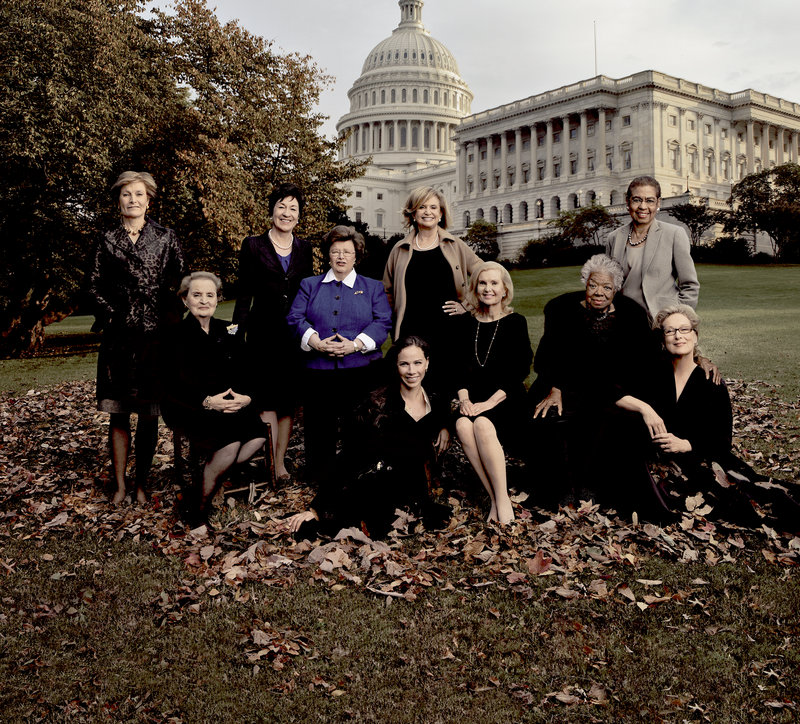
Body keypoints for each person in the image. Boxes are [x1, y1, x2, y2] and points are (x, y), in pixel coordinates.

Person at [616, 305, 800, 529]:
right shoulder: (651, 373)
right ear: (662, 339)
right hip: (657, 459)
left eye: (684, 329)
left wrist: (686, 444)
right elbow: (609, 391)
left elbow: (722, 441)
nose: (678, 336)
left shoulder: (711, 382)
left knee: (742, 496)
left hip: (698, 458)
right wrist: (645, 409)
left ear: (695, 336)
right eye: (670, 331)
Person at [283, 336, 452, 539]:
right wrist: (315, 508)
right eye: (404, 364)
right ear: (396, 366)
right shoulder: (380, 406)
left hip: (412, 485)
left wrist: (445, 428)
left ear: (427, 363)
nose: (412, 371)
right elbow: (351, 455)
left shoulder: (435, 399)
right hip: (378, 481)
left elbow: (442, 418)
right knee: (357, 520)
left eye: (417, 363)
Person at [529, 254, 659, 508]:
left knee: (609, 418)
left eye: (607, 287)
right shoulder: (561, 310)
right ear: (585, 284)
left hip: (614, 387)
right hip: (565, 385)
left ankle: (592, 486)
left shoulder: (632, 314)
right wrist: (555, 386)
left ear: (617, 289)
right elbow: (546, 357)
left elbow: (642, 362)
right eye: (593, 285)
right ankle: (561, 488)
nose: (599, 292)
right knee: (546, 416)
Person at [89, 171, 185, 504]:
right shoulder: (106, 239)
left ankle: (142, 484)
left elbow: (180, 282)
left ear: (149, 199)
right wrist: (114, 312)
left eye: (139, 194)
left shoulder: (165, 236)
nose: (133, 199)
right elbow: (93, 285)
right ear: (118, 199)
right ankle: (119, 485)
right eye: (126, 194)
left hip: (155, 337)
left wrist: (167, 317)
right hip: (119, 338)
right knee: (119, 412)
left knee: (149, 414)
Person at [287, 225, 392, 483]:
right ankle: (320, 476)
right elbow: (295, 317)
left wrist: (354, 345)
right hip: (317, 371)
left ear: (357, 255)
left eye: (347, 252)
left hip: (360, 370)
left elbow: (383, 323)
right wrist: (316, 342)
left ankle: (355, 475)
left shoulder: (372, 287)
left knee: (357, 427)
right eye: (336, 252)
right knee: (318, 427)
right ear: (328, 255)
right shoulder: (309, 285)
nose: (341, 257)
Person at [163, 272, 268, 528]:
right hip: (190, 406)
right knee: (230, 442)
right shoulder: (174, 335)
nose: (203, 300)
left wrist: (245, 398)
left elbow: (246, 371)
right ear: (185, 300)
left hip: (228, 404)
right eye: (196, 295)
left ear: (218, 299)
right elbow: (172, 385)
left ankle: (210, 479)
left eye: (210, 295)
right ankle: (197, 509)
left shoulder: (227, 329)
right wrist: (208, 402)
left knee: (258, 433)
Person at [232, 182, 313, 482]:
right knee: (266, 400)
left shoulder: (305, 249)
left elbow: (307, 293)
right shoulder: (252, 245)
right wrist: (236, 335)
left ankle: (280, 464)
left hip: (293, 337)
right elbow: (243, 295)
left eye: (293, 208)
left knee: (287, 402)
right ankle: (268, 463)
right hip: (262, 335)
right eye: (282, 206)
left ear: (299, 216)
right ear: (271, 211)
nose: (287, 213)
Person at [454, 262, 532, 525]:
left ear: (504, 290)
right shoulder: (466, 323)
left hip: (506, 399)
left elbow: (519, 370)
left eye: (494, 283)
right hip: (474, 399)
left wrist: (486, 404)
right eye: (483, 283)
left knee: (483, 424)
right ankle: (497, 499)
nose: (488, 289)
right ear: (476, 288)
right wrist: (465, 401)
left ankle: (503, 505)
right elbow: (458, 369)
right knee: (463, 424)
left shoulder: (515, 322)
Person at [383, 186, 482, 392]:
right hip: (412, 330)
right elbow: (387, 291)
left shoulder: (455, 245)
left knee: (448, 387)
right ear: (413, 212)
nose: (428, 212)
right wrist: (394, 325)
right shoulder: (399, 249)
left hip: (450, 330)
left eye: (433, 207)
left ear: (441, 213)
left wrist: (468, 304)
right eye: (422, 207)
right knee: (415, 389)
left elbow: (486, 274)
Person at [606, 176, 700, 319]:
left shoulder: (674, 234)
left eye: (649, 200)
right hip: (624, 322)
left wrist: (678, 318)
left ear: (658, 203)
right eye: (637, 199)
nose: (643, 206)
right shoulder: (614, 238)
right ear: (628, 201)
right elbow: (608, 284)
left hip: (661, 320)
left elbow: (690, 285)